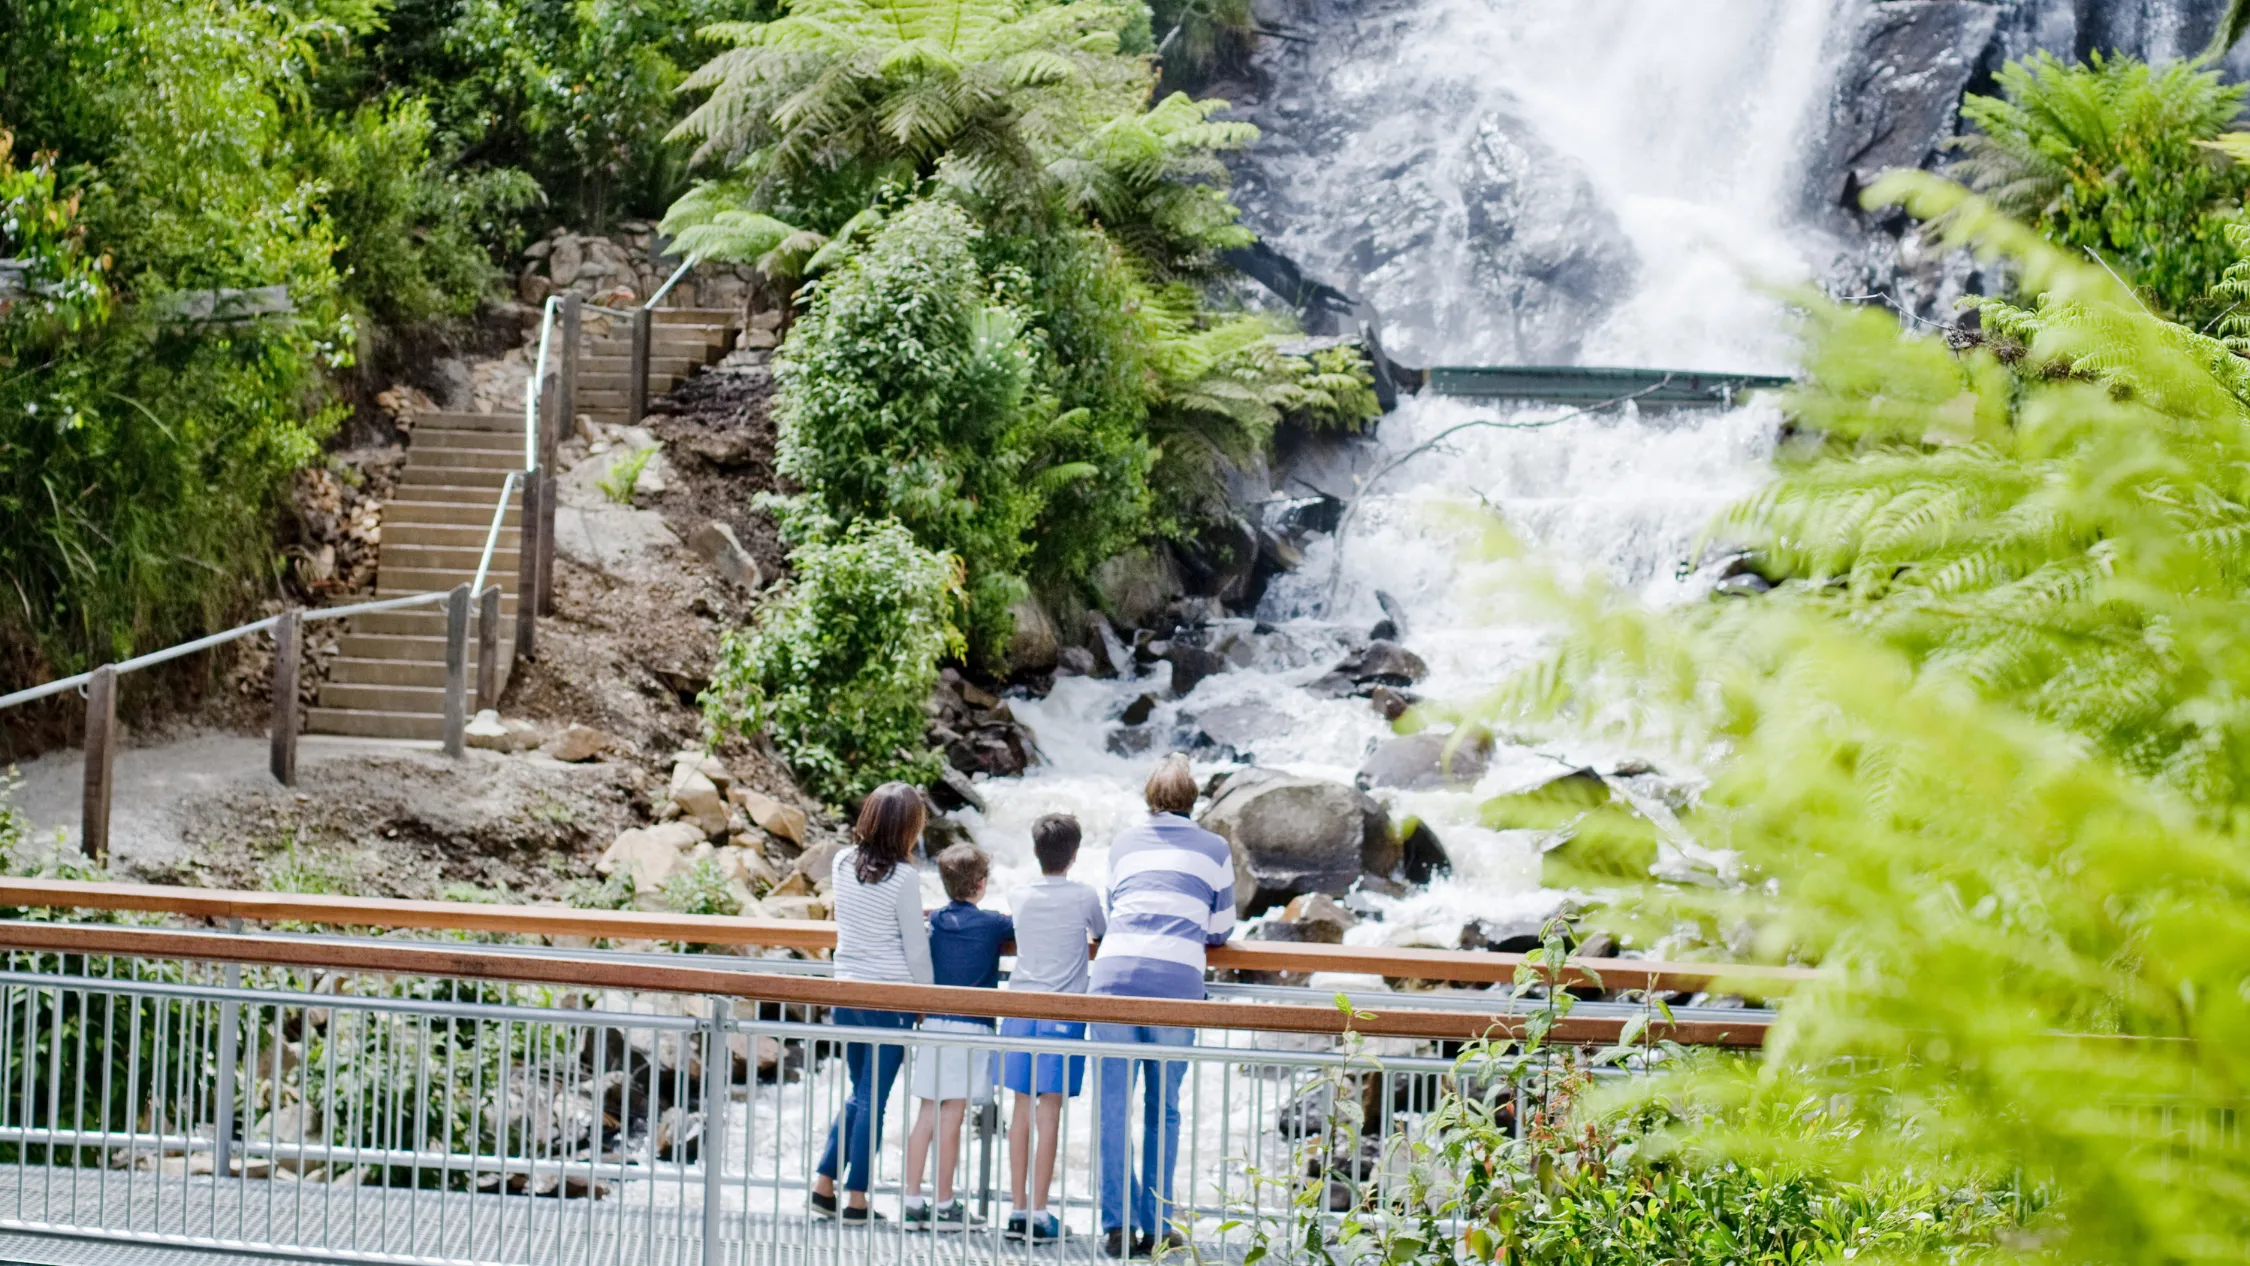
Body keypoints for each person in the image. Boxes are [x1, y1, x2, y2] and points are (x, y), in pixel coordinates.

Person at [1089, 755, 1235, 1258]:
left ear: (1149, 797)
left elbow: (1113, 910)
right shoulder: (1215, 848)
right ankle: (1155, 1226)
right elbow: (1221, 929)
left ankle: (1115, 1226)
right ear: (1193, 799)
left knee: (1112, 1107)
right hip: (1175, 985)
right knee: (1162, 1109)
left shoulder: (1124, 842)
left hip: (1112, 978)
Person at [810, 782, 933, 1225]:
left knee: (861, 1095)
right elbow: (916, 951)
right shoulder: (904, 879)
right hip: (890, 998)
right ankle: (857, 1198)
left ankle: (825, 1186)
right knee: (872, 1100)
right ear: (908, 828)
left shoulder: (843, 862)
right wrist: (927, 998)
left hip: (848, 991)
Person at [998, 813, 1105, 1243]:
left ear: (1035, 851)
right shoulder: (1083, 896)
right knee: (1050, 1114)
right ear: (1075, 854)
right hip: (1062, 1014)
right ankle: (1040, 1213)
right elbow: (1102, 932)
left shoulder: (1019, 893)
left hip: (1019, 1009)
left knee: (1020, 1111)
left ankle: (1017, 1209)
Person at [900, 844, 1014, 1232]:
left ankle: (913, 1200)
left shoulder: (935, 921)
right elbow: (1020, 927)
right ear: (981, 884)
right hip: (970, 1027)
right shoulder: (994, 924)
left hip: (933, 1023)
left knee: (926, 1114)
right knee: (952, 1117)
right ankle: (945, 1203)